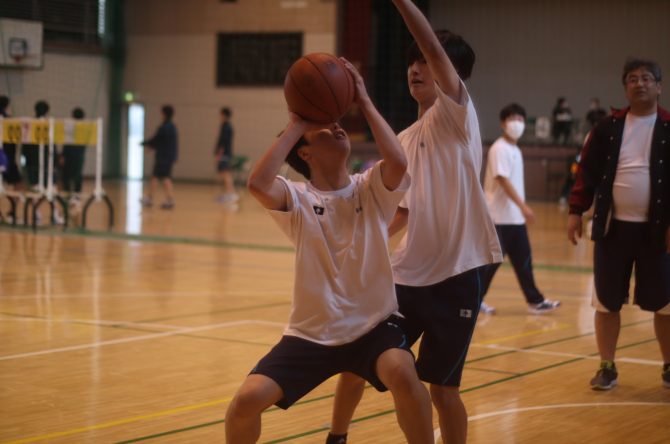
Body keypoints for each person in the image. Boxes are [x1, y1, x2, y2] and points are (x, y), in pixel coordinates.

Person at [224, 58, 433, 444]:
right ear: (304, 153)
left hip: (372, 328)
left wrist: (364, 101)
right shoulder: (297, 198)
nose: (337, 127)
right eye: (325, 128)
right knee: (245, 402)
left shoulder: (369, 187)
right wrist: (299, 122)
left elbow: (400, 161)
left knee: (404, 373)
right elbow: (257, 182)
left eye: (337, 124)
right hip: (311, 335)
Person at [328, 2, 502, 443]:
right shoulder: (404, 140)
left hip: (457, 275)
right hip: (405, 278)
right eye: (411, 62)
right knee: (358, 363)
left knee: (444, 389)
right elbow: (403, 211)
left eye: (425, 61)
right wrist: (358, 248)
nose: (416, 68)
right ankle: (337, 437)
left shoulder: (456, 116)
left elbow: (429, 42)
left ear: (450, 74)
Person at [567, 57, 670, 391]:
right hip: (613, 231)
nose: (639, 83)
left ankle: (669, 367)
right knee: (607, 301)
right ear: (625, 87)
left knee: (666, 304)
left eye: (645, 78)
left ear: (659, 86)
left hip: (659, 233)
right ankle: (607, 366)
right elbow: (587, 173)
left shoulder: (669, 127)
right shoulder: (607, 128)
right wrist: (575, 211)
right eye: (632, 79)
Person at [480, 103, 561, 315]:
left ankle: (535, 301)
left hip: (514, 219)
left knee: (524, 261)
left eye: (520, 119)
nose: (517, 123)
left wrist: (520, 211)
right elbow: (502, 178)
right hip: (499, 219)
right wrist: (524, 206)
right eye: (512, 118)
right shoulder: (499, 148)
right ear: (502, 123)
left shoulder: (514, 148)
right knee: (490, 265)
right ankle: (473, 300)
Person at [140, 105, 178, 209]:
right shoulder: (172, 127)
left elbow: (156, 140)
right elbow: (161, 142)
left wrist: (145, 143)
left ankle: (168, 200)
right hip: (167, 157)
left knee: (164, 178)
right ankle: (150, 198)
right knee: (157, 177)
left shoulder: (165, 127)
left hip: (163, 157)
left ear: (164, 114)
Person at [22, 100, 51, 190]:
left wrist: (24, 156)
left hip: (31, 157)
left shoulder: (28, 124)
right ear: (47, 111)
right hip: (45, 157)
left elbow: (25, 142)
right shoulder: (50, 124)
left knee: (33, 179)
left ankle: (34, 195)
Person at [60, 107, 87, 202]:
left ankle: (69, 197)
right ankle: (76, 198)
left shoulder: (71, 127)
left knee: (67, 177)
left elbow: (67, 144)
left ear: (73, 115)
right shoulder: (85, 128)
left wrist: (63, 155)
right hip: (79, 156)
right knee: (77, 177)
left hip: (70, 156)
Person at [214, 107, 239, 204]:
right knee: (223, 174)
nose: (219, 116)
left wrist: (219, 155)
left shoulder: (227, 127)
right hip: (224, 154)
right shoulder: (224, 126)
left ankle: (232, 194)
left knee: (226, 174)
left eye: (220, 114)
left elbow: (223, 143)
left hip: (224, 154)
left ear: (224, 115)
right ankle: (228, 194)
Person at [0, 95, 22, 189]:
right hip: (7, 154)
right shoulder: (10, 120)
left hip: (5, 153)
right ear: (7, 106)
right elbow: (14, 139)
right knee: (15, 180)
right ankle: (15, 202)